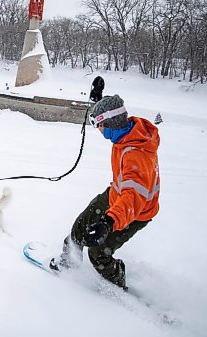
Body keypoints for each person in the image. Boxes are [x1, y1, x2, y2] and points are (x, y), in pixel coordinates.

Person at [50, 94, 161, 290]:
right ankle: (69, 262)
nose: (98, 130)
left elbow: (133, 198)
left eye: (98, 124)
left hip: (135, 212)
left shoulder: (136, 154)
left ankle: (117, 282)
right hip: (115, 197)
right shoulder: (125, 135)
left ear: (110, 123)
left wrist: (108, 221)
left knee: (98, 252)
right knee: (80, 227)